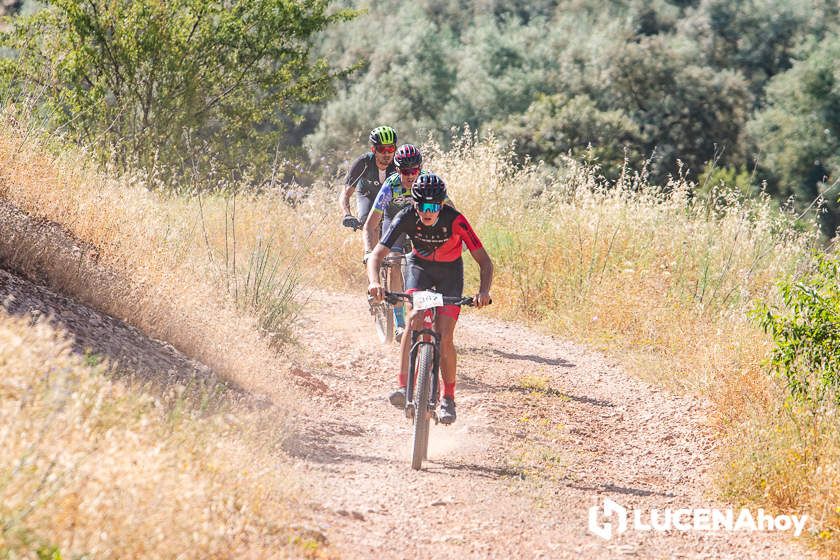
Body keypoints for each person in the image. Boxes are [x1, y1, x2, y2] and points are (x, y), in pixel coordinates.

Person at [366, 173, 493, 424]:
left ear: (442, 205)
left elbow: (485, 262)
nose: (428, 211)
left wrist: (484, 292)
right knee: (413, 321)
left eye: (434, 206)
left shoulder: (455, 220)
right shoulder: (406, 217)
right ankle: (403, 387)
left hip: (450, 274)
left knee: (445, 336)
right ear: (415, 204)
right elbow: (376, 256)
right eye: (423, 205)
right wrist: (374, 282)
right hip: (419, 270)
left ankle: (448, 398)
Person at [362, 144, 438, 341]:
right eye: (405, 171)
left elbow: (450, 211)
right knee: (395, 261)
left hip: (419, 222)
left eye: (414, 171)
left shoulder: (428, 181)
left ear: (420, 169)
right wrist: (369, 251)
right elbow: (371, 225)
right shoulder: (391, 185)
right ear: (397, 169)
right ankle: (400, 323)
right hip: (394, 221)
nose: (410, 176)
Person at [339, 125, 398, 232]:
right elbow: (345, 194)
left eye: (391, 148)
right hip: (368, 195)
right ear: (373, 150)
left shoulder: (398, 163)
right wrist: (347, 215)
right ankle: (371, 249)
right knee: (368, 223)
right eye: (381, 149)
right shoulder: (363, 163)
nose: (387, 153)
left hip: (391, 197)